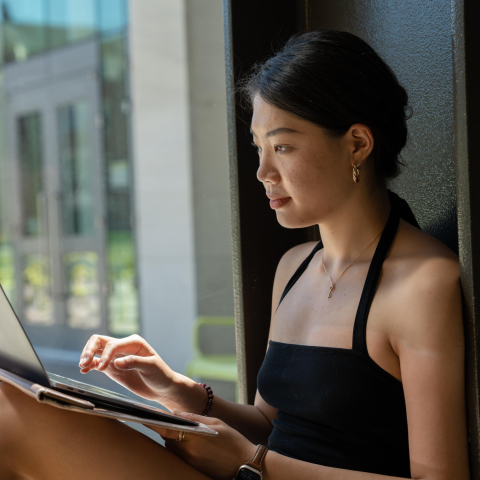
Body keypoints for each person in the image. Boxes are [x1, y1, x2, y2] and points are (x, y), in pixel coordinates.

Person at [0, 29, 470, 480]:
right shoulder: (295, 268)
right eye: (258, 148)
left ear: (358, 145)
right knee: (11, 400)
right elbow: (271, 425)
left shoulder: (422, 283)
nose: (263, 171)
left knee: (13, 418)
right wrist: (175, 390)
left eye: (282, 147)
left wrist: (254, 464)